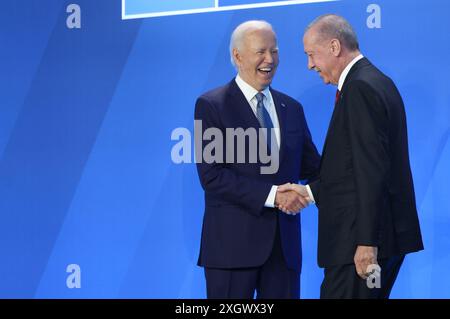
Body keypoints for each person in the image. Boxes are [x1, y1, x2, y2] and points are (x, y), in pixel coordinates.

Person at [279, 14, 423, 298]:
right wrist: (309, 192)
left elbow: (372, 170)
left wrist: (367, 242)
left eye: (311, 55)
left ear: (334, 47)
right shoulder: (376, 80)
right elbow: (352, 169)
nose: (310, 65)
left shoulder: (359, 88)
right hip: (373, 240)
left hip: (360, 246)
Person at [194, 20, 320, 299]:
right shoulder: (212, 105)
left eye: (274, 51)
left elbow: (313, 169)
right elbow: (212, 176)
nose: (270, 59)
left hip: (283, 253)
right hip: (231, 252)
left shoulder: (292, 108)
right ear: (237, 56)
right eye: (260, 52)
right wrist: (274, 195)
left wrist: (311, 192)